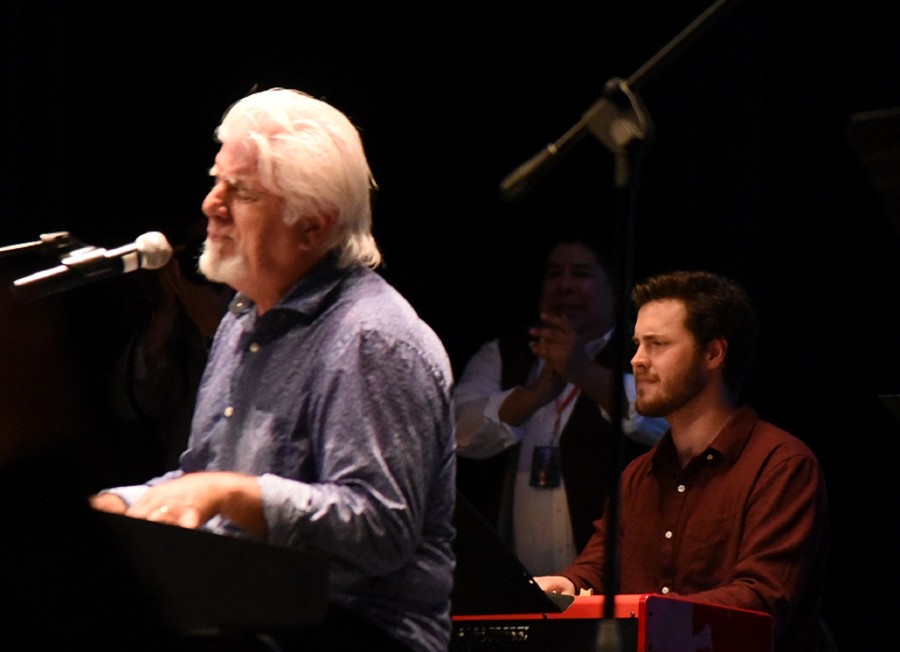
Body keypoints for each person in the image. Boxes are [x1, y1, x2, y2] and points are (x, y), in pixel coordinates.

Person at [91, 88, 457, 652]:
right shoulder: (243, 319)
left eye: (240, 192)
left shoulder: (372, 339)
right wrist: (123, 506)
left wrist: (239, 496)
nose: (212, 204)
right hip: (249, 619)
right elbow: (200, 483)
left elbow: (381, 528)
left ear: (311, 226)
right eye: (216, 181)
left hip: (357, 634)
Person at [536, 270, 830, 652]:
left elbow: (761, 602)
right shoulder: (637, 476)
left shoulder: (782, 465)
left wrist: (647, 613)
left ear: (713, 353)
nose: (637, 360)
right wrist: (569, 585)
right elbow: (598, 567)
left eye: (657, 344)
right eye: (637, 343)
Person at [453, 238, 667, 576]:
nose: (564, 286)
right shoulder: (506, 353)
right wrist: (537, 393)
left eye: (581, 274)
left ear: (614, 290)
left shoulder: (643, 352)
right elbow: (459, 432)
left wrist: (582, 371)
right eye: (554, 274)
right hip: (514, 586)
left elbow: (661, 423)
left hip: (611, 581)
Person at [108, 218, 233, 474]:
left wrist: (214, 329)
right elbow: (129, 404)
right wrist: (167, 311)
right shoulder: (182, 326)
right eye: (198, 251)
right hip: (181, 479)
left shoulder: (263, 312)